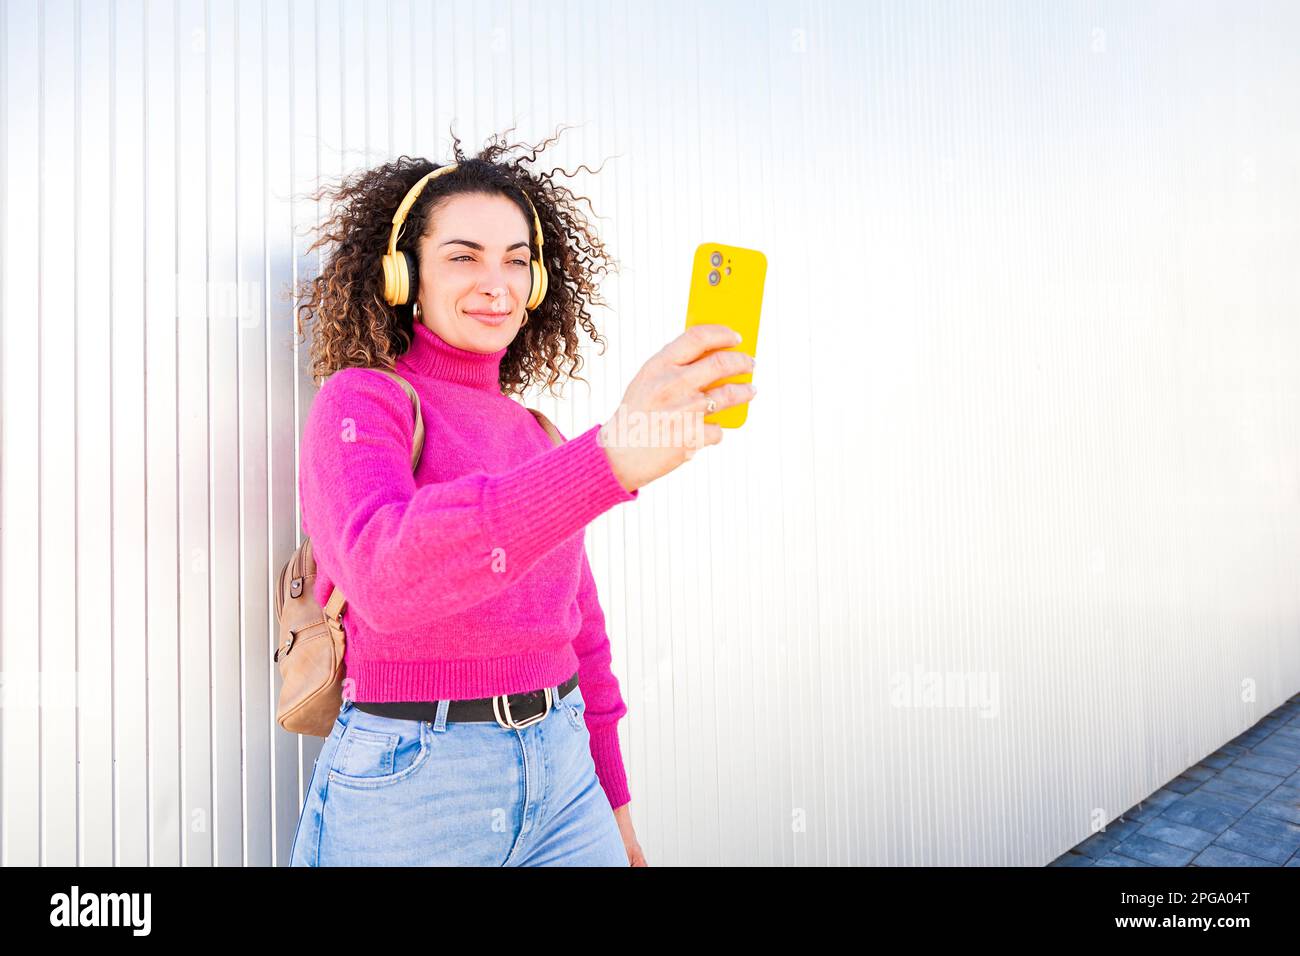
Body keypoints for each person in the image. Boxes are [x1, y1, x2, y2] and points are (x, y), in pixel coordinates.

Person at [287, 129, 757, 866]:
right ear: (403, 276)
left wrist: (615, 806)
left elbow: (581, 636)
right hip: (416, 781)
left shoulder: (537, 434)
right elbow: (382, 576)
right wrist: (605, 460)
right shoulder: (363, 401)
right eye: (463, 256)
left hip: (565, 775)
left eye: (517, 260)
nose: (496, 282)